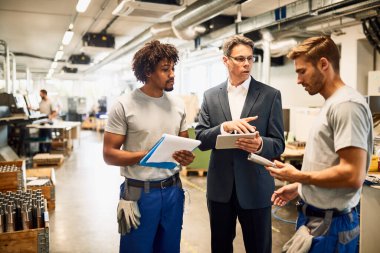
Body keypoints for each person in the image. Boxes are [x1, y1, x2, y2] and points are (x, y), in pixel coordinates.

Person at [267, 36, 373, 252]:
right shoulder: (332, 103)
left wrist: (297, 176)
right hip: (316, 220)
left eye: (302, 71)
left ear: (324, 64)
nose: (298, 80)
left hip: (332, 225)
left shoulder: (346, 105)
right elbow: (328, 164)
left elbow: (352, 175)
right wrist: (300, 187)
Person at [103, 40, 195, 253]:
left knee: (170, 249)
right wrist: (148, 155)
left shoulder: (178, 104)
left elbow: (185, 146)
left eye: (173, 68)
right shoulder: (124, 105)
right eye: (165, 69)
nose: (172, 74)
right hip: (139, 193)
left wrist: (186, 157)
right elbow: (109, 155)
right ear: (148, 71)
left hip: (173, 191)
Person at [195, 34, 285, 253]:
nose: (246, 64)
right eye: (240, 59)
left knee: (258, 248)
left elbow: (278, 143)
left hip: (256, 188)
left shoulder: (269, 95)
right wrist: (224, 128)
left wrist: (260, 144)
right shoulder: (210, 96)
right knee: (220, 247)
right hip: (220, 189)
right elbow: (201, 139)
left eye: (250, 59)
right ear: (225, 61)